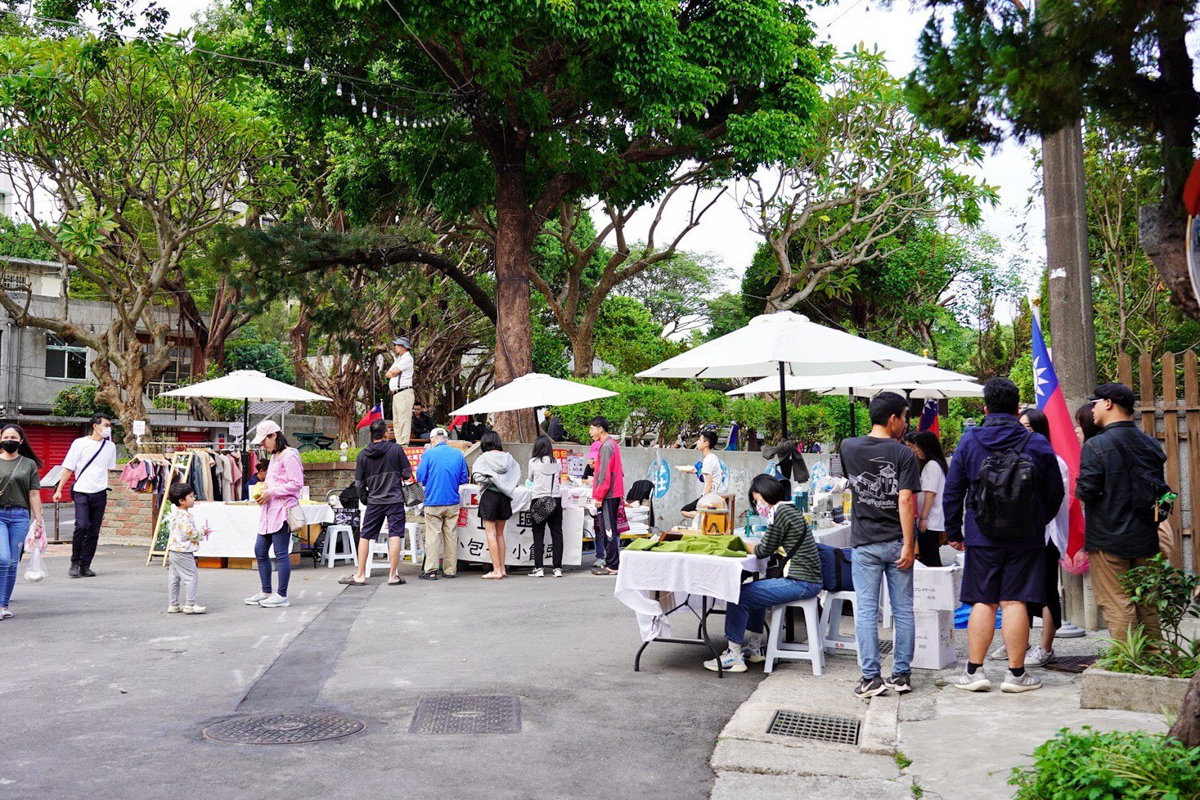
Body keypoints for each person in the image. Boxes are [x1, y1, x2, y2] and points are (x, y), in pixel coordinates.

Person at [942, 377, 1065, 694]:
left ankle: (974, 672)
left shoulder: (969, 442)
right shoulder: (1036, 443)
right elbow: (1055, 492)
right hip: (1026, 538)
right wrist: (1037, 522)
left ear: (985, 408)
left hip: (982, 536)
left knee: (984, 601)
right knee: (1015, 602)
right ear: (1016, 408)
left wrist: (954, 531)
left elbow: (953, 491)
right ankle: (1016, 674)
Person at [840, 391, 920, 698]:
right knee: (903, 611)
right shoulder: (904, 454)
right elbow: (905, 500)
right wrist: (909, 545)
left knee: (866, 611)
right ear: (892, 419)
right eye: (904, 417)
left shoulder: (848, 446)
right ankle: (901, 675)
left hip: (864, 543)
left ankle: (871, 678)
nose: (905, 424)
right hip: (896, 542)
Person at [1076, 383, 1167, 642]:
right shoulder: (1150, 443)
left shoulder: (1096, 445)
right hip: (1146, 537)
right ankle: (1153, 657)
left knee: (1117, 603)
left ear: (1108, 404)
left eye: (1095, 403)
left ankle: (1129, 663)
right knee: (1147, 603)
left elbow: (1087, 492)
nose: (1092, 408)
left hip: (1108, 538)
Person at [704, 475, 823, 673]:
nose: (758, 505)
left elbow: (763, 551)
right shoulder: (790, 509)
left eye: (758, 500)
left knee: (739, 594)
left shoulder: (781, 513)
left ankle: (733, 655)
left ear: (767, 496)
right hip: (807, 580)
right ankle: (754, 647)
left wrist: (741, 544)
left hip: (802, 583)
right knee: (755, 590)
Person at [986, 407, 1070, 667]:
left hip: (1045, 536)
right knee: (1014, 590)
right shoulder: (1010, 458)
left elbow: (1057, 499)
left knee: (1045, 591)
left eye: (1029, 428)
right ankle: (1019, 642)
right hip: (1019, 536)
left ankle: (1046, 647)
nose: (1022, 432)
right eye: (1020, 426)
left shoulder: (1054, 461)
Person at [342, 418, 413, 587]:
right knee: (395, 534)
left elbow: (359, 483)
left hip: (374, 500)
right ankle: (392, 575)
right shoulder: (396, 449)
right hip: (394, 499)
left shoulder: (362, 455)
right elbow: (407, 474)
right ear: (385, 434)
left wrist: (365, 498)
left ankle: (360, 574)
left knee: (366, 535)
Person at [246, 420, 303, 608]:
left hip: (282, 510)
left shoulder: (289, 456)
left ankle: (282, 594)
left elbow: (296, 484)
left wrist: (270, 492)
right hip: (270, 509)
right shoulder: (274, 457)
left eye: (265, 440)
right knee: (260, 550)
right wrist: (264, 492)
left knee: (280, 553)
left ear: (274, 436)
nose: (263, 444)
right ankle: (266, 591)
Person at [54, 412, 117, 579]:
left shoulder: (110, 447)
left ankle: (85, 565)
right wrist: (59, 489)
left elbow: (108, 468)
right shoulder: (79, 443)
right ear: (95, 426)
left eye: (109, 426)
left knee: (94, 530)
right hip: (82, 491)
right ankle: (75, 561)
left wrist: (104, 484)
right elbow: (68, 467)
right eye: (105, 425)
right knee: (81, 525)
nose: (108, 429)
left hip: (100, 492)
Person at [0, 424, 43, 620]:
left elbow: (34, 494)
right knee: (2, 558)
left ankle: (3, 605)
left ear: (21, 441)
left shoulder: (28, 464)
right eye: (6, 436)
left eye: (13, 437)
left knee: (11, 562)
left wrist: (39, 521)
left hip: (20, 517)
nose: (9, 440)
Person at [417, 427, 469, 581]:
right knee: (451, 536)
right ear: (446, 439)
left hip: (433, 501)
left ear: (432, 440)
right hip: (452, 501)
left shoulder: (429, 454)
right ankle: (450, 570)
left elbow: (420, 476)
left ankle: (431, 570)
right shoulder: (458, 454)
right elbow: (464, 478)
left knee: (433, 536)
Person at [472, 431, 520, 580]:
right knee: (500, 534)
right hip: (505, 497)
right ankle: (502, 568)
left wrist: (491, 479)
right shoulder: (509, 458)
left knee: (491, 534)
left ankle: (496, 570)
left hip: (490, 496)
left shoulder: (483, 458)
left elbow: (477, 476)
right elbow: (517, 476)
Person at [904, 431, 948, 568]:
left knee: (930, 557)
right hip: (932, 519)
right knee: (931, 555)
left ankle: (936, 586)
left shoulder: (931, 466)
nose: (916, 450)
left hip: (930, 520)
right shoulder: (934, 464)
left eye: (918, 447)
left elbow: (931, 493)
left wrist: (923, 517)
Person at [589, 416, 625, 576]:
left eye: (591, 429)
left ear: (600, 428)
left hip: (608, 495)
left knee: (608, 531)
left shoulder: (606, 447)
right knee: (609, 531)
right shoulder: (612, 445)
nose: (590, 432)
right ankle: (611, 563)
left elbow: (604, 474)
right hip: (613, 493)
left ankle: (613, 565)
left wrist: (598, 496)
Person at [165, 483, 206, 615]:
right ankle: (190, 604)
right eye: (191, 496)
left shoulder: (175, 513)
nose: (194, 498)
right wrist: (202, 533)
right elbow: (190, 533)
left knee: (174, 578)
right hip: (184, 551)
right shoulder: (184, 516)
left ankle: (174, 604)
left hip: (174, 550)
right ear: (182, 500)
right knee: (191, 577)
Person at [528, 434, 564, 578]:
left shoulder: (533, 462)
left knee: (538, 534)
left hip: (538, 500)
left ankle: (539, 567)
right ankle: (557, 568)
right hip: (555, 499)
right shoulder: (558, 462)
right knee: (557, 534)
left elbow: (530, 478)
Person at [681, 430, 729, 520]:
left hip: (712, 495)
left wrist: (704, 500)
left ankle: (705, 516)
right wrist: (695, 471)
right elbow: (705, 478)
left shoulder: (708, 460)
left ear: (706, 443)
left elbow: (709, 483)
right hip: (714, 494)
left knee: (684, 511)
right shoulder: (712, 457)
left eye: (699, 440)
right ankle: (705, 516)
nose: (697, 442)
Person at [385, 336, 415, 445]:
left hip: (404, 392)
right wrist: (392, 373)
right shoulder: (399, 359)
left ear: (404, 347)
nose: (395, 347)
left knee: (404, 419)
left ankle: (404, 443)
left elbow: (394, 372)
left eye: (398, 345)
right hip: (396, 393)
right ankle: (399, 442)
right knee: (397, 420)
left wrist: (393, 373)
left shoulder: (408, 358)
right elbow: (388, 373)